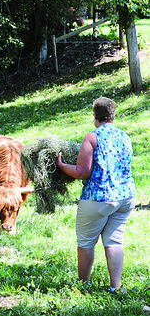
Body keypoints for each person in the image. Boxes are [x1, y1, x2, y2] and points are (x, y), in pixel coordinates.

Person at [56, 97, 136, 293]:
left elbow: (83, 172)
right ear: (113, 115)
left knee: (85, 243)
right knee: (114, 241)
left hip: (99, 198)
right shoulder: (124, 136)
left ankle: (83, 285)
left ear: (95, 116)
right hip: (126, 197)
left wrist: (61, 165)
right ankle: (116, 288)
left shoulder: (92, 137)